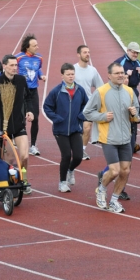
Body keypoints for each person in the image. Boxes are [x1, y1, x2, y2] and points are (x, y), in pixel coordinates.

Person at [84, 62, 140, 213]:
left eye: (122, 72)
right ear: (109, 75)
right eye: (117, 73)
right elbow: (87, 112)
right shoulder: (101, 92)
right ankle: (101, 189)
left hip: (126, 138)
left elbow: (137, 115)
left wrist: (135, 113)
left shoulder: (129, 91)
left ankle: (114, 200)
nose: (121, 75)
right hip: (108, 138)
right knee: (114, 171)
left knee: (125, 171)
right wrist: (102, 116)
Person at [0, 55, 34, 194]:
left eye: (16, 65)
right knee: (8, 160)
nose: (14, 68)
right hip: (2, 128)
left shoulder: (21, 80)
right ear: (4, 66)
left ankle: (24, 179)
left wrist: (30, 111)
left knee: (24, 156)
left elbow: (28, 97)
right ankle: (6, 183)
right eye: (11, 65)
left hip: (18, 125)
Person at [43, 63, 89, 192]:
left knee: (79, 156)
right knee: (66, 155)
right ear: (62, 75)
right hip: (60, 130)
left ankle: (71, 169)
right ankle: (62, 182)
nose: (71, 76)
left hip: (75, 128)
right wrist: (56, 118)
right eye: (68, 74)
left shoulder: (80, 90)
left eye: (72, 74)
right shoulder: (56, 91)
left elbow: (87, 104)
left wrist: (81, 115)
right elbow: (47, 107)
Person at [15, 34, 46, 156]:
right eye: (34, 45)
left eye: (37, 45)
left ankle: (33, 145)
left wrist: (41, 75)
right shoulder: (18, 58)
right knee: (21, 119)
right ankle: (20, 142)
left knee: (36, 118)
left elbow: (38, 69)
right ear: (27, 47)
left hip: (33, 91)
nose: (37, 47)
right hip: (21, 91)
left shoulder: (39, 58)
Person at [113, 42, 140, 154]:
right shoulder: (120, 62)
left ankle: (132, 142)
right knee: (122, 116)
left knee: (136, 116)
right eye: (134, 52)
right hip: (122, 91)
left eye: (137, 53)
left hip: (134, 92)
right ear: (128, 51)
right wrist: (125, 74)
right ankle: (120, 143)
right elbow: (112, 76)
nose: (135, 54)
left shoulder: (137, 62)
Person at [73, 45, 104, 160]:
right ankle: (73, 148)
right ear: (78, 54)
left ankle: (82, 150)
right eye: (85, 52)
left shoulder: (93, 70)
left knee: (87, 127)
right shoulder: (73, 69)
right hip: (74, 103)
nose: (87, 54)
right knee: (75, 129)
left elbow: (100, 87)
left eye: (88, 52)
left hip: (88, 104)